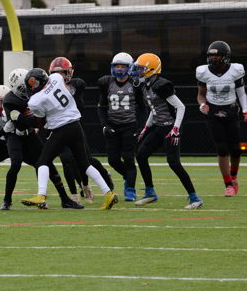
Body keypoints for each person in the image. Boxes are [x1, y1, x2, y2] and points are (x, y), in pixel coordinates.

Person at [19, 68, 118, 210]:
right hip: (76, 125)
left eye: (33, 84)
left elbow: (40, 119)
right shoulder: (56, 78)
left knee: (42, 161)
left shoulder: (36, 100)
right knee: (84, 163)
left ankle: (41, 196)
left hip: (61, 129)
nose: (32, 87)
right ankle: (108, 194)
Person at [2, 67, 84, 211]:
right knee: (15, 164)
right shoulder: (10, 101)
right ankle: (6, 200)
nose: (28, 89)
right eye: (23, 88)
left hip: (30, 134)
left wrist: (37, 120)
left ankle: (65, 199)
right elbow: (20, 123)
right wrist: (37, 121)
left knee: (46, 163)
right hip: (14, 135)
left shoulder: (37, 93)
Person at [130, 53, 203, 210]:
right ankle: (150, 192)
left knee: (173, 162)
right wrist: (146, 128)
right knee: (141, 155)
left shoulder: (161, 85)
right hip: (158, 126)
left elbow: (181, 107)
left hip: (170, 126)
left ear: (151, 69)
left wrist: (176, 128)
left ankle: (195, 198)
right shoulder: (145, 85)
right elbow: (154, 109)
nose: (137, 72)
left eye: (140, 69)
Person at [48, 56, 114, 203]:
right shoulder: (49, 88)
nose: (60, 76)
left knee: (85, 160)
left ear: (69, 72)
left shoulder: (76, 84)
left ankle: (98, 178)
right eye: (56, 73)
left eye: (63, 72)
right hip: (59, 128)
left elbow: (78, 86)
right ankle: (75, 193)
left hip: (76, 128)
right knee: (66, 160)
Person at [196, 40, 247, 196]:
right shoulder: (203, 72)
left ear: (225, 56)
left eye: (217, 55)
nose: (213, 58)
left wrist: (245, 109)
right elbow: (201, 94)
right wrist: (202, 104)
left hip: (231, 110)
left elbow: (241, 93)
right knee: (222, 149)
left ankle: (234, 177)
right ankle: (228, 184)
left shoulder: (236, 70)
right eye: (211, 56)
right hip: (213, 111)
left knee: (236, 150)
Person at [97, 52, 145, 202]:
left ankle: (130, 189)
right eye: (116, 66)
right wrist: (105, 125)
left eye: (122, 66)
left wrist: (139, 127)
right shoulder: (106, 83)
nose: (119, 69)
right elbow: (101, 107)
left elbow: (142, 108)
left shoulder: (135, 84)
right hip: (112, 125)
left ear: (129, 68)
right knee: (113, 160)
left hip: (129, 125)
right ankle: (128, 176)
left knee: (129, 158)